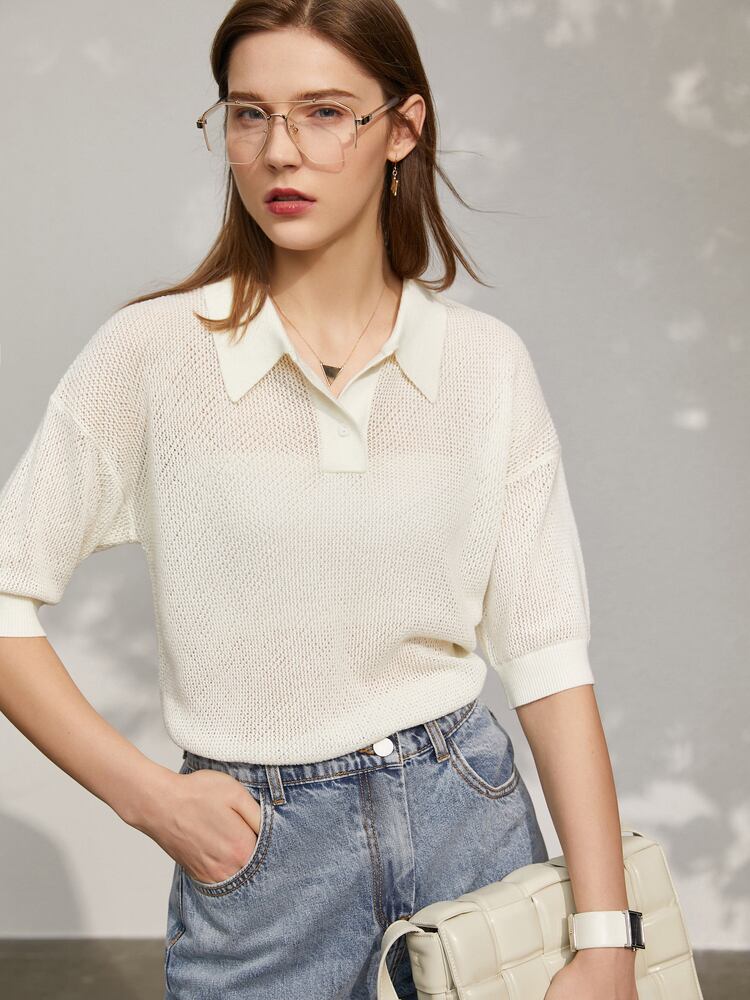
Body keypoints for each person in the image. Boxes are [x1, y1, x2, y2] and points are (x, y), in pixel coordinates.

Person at [0, 2, 638, 999]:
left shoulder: (485, 365)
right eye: (249, 114)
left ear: (403, 128)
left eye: (326, 112)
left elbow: (549, 657)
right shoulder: (154, 355)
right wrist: (149, 800)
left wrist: (606, 938)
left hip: (470, 827)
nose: (279, 151)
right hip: (262, 865)